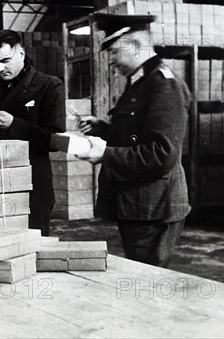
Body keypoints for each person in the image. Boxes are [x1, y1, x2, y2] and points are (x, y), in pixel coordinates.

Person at [75, 13, 193, 268]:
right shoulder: (141, 82)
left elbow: (161, 154)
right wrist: (103, 129)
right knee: (141, 273)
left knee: (149, 281)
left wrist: (104, 154)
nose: (111, 60)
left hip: (153, 208)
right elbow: (137, 137)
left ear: (136, 46)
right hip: (139, 205)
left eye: (115, 52)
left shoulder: (164, 86)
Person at [0, 30, 66, 236]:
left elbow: (55, 140)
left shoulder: (49, 85)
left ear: (21, 54)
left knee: (32, 249)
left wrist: (14, 124)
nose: (0, 68)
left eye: (5, 60)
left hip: (32, 185)